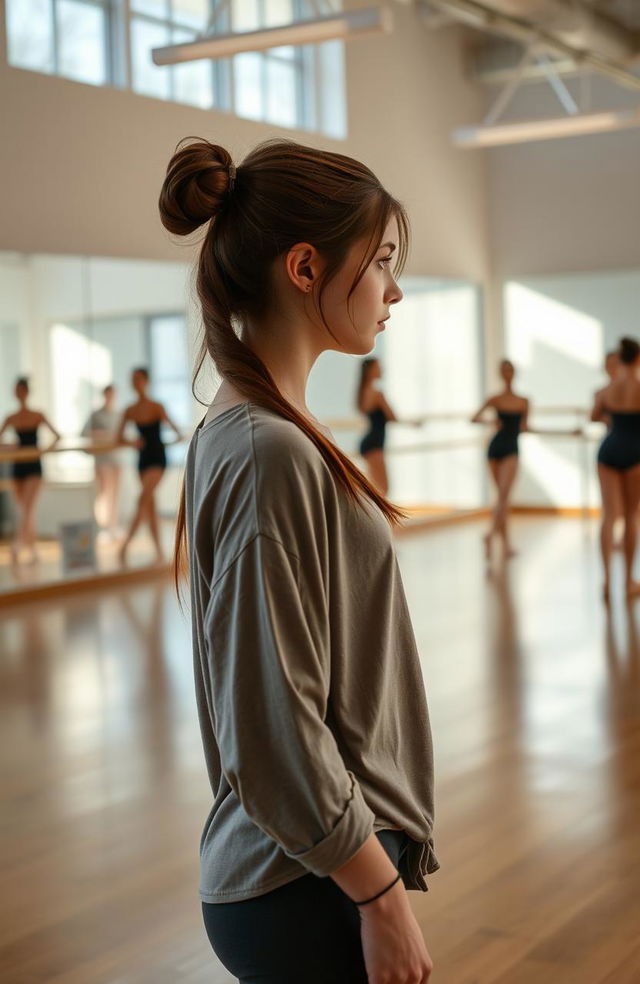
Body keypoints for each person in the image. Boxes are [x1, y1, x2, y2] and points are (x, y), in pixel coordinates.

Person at [159, 137, 437, 984]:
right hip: (308, 889)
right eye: (381, 260)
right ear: (306, 267)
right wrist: (379, 896)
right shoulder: (262, 449)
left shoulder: (265, 433)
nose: (394, 289)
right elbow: (273, 729)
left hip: (317, 878)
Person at [115, 368, 182, 564]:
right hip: (142, 460)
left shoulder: (157, 406)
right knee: (149, 504)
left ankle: (125, 545)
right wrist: (132, 442)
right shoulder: (130, 410)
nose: (135, 383)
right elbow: (118, 437)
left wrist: (172, 441)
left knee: (142, 498)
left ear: (146, 381)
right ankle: (159, 550)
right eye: (133, 379)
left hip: (158, 458)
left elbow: (175, 429)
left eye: (138, 379)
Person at [591, 336, 640, 602]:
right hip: (635, 453)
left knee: (609, 517)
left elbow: (593, 416)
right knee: (631, 517)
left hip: (608, 450)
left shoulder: (606, 390)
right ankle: (628, 580)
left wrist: (613, 417)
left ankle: (607, 580)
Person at [471, 359, 528, 561]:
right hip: (495, 447)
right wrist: (491, 420)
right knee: (502, 497)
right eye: (504, 370)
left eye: (510, 370)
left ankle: (493, 537)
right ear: (500, 374)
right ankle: (500, 541)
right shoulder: (495, 399)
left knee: (503, 497)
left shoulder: (524, 401)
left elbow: (525, 427)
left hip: (512, 448)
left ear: (514, 373)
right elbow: (474, 417)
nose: (508, 374)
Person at [0, 377, 60, 564]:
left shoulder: (38, 415)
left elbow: (57, 436)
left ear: (26, 391)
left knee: (26, 508)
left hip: (34, 466)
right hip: (18, 466)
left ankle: (17, 545)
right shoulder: (11, 417)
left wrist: (42, 450)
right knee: (26, 510)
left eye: (21, 390)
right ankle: (33, 549)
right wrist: (10, 447)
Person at [356, 357, 411, 496]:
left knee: (374, 487)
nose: (382, 370)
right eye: (378, 367)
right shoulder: (377, 394)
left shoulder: (363, 393)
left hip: (369, 442)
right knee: (382, 489)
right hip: (375, 444)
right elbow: (393, 417)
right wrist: (413, 424)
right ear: (370, 371)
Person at [82, 384, 121, 539]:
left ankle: (113, 526)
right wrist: (104, 435)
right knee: (103, 493)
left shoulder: (118, 414)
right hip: (102, 459)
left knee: (114, 494)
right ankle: (103, 527)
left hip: (116, 459)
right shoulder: (95, 415)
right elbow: (84, 432)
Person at [591, 350, 622, 548]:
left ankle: (622, 541)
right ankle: (607, 578)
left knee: (631, 509)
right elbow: (593, 416)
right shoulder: (602, 392)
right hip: (611, 449)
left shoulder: (634, 390)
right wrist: (609, 419)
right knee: (610, 508)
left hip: (631, 450)